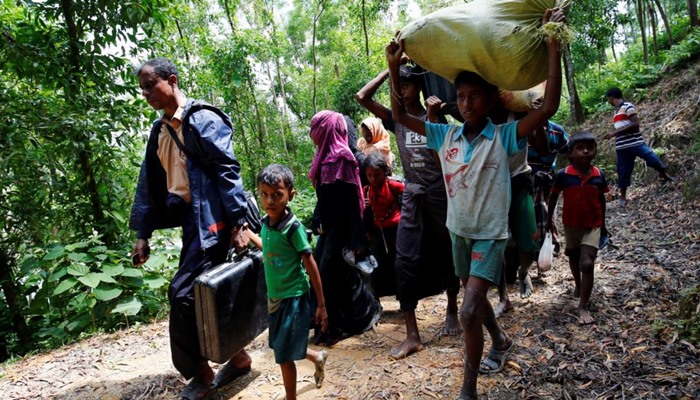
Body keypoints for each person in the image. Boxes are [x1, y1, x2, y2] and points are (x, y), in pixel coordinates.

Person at [385, 8, 566, 400]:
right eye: (461, 97)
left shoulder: (504, 136)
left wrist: (552, 46)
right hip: (459, 233)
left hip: (488, 235)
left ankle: (468, 389)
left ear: (490, 100)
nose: (466, 104)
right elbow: (399, 114)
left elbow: (547, 107)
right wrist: (393, 67)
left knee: (468, 311)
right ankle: (499, 340)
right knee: (476, 299)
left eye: (474, 97)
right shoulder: (444, 135)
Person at [129, 57, 252, 400]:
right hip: (191, 222)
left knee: (184, 293)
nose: (146, 94)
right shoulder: (159, 131)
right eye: (142, 89)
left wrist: (239, 223)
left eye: (150, 85)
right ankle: (238, 357)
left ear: (172, 80)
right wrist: (142, 234)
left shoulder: (202, 119)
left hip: (214, 219)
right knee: (208, 292)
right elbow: (149, 185)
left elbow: (227, 170)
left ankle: (200, 372)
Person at [356, 60, 461, 361]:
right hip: (413, 192)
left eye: (407, 84)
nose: (402, 90)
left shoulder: (435, 116)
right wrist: (390, 69)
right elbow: (362, 97)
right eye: (398, 85)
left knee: (448, 249)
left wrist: (434, 116)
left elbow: (445, 156)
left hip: (439, 191)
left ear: (419, 86)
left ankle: (452, 308)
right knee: (403, 259)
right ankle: (412, 334)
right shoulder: (396, 118)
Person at [245, 164, 329, 400]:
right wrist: (248, 234)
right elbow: (269, 249)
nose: (269, 201)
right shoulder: (265, 223)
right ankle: (317, 357)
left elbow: (310, 264)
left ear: (290, 195)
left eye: (276, 194)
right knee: (284, 346)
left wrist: (321, 304)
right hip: (275, 298)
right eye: (264, 194)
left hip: (293, 297)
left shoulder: (293, 228)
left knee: (283, 355)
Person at [308, 110, 383, 346]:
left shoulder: (342, 159)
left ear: (326, 130)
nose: (311, 133)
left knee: (330, 275)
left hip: (344, 229)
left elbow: (352, 201)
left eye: (315, 127)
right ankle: (326, 323)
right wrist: (317, 219)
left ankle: (343, 324)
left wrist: (358, 238)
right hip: (330, 228)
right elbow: (323, 197)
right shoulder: (323, 156)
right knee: (325, 273)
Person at [546, 131, 609, 325]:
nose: (585, 151)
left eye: (589, 148)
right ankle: (579, 285)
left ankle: (583, 306)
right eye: (580, 148)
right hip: (571, 224)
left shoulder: (598, 175)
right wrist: (548, 221)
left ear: (595, 151)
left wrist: (604, 225)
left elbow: (602, 200)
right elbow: (553, 197)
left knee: (587, 263)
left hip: (593, 225)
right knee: (573, 257)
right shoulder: (563, 175)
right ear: (571, 154)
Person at [604, 87, 673, 208]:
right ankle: (623, 197)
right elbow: (623, 126)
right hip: (622, 146)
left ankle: (664, 175)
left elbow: (635, 124)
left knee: (652, 158)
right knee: (623, 171)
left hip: (636, 142)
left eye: (608, 99)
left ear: (612, 97)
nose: (608, 101)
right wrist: (616, 134)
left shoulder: (628, 107)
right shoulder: (616, 112)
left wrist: (614, 133)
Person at [362, 153, 405, 298]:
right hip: (378, 233)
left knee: (399, 264)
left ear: (384, 172)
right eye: (369, 175)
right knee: (377, 266)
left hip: (397, 231)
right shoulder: (366, 191)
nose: (373, 179)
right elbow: (365, 215)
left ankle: (404, 298)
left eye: (377, 175)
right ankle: (376, 300)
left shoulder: (395, 186)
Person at [528, 117, 569, 255]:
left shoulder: (557, 131)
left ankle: (545, 246)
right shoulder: (523, 128)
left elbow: (567, 150)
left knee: (548, 213)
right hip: (527, 179)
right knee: (531, 215)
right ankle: (533, 249)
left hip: (548, 178)